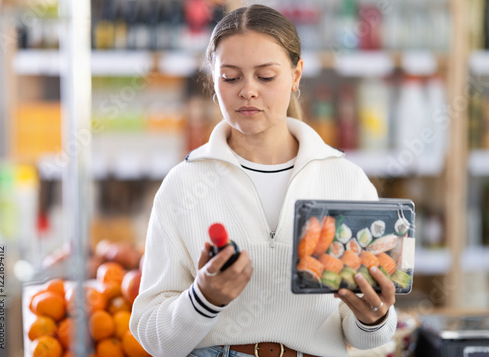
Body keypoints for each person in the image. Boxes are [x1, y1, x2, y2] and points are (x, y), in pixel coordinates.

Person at [130, 4, 397, 357]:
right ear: (214, 79)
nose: (248, 91)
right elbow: (153, 337)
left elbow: (365, 338)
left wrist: (374, 319)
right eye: (231, 77)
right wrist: (202, 300)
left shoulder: (345, 180)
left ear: (296, 75)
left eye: (266, 76)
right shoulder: (183, 184)